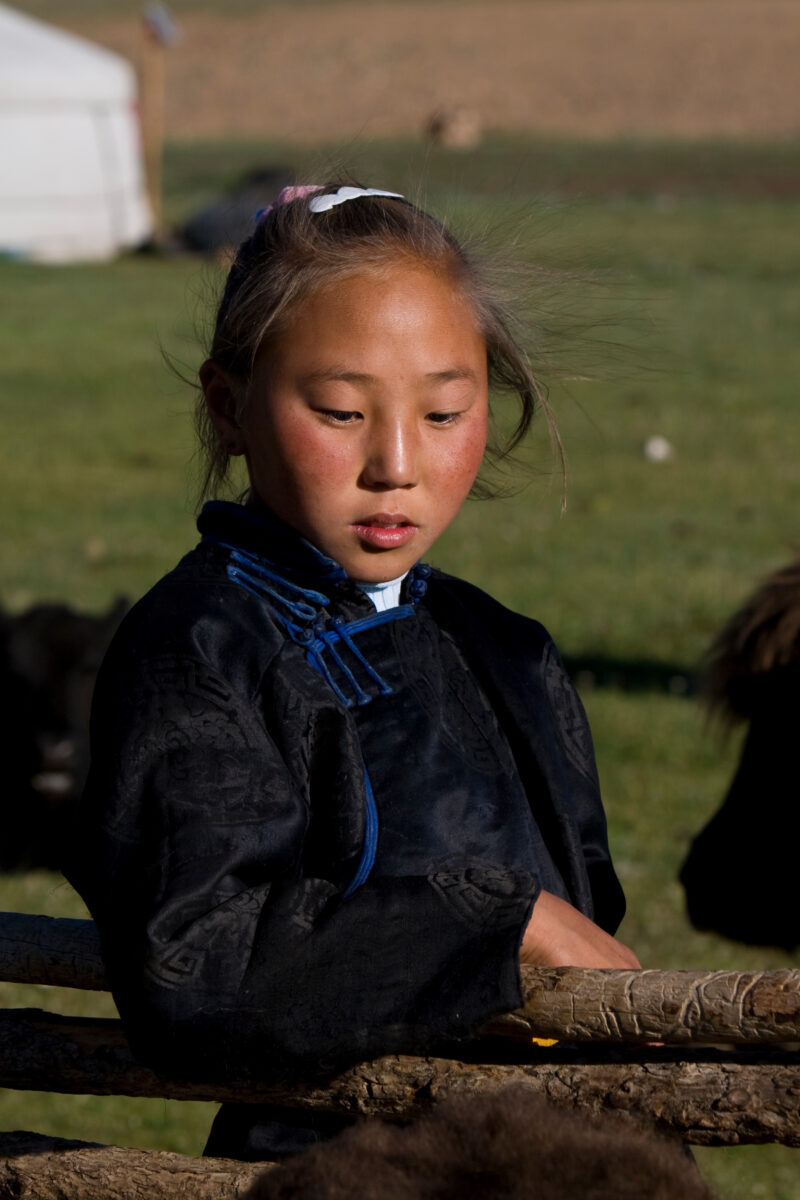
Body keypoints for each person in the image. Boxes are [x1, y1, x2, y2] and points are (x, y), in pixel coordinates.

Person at [64, 183, 639, 1162]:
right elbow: (193, 964)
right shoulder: (200, 653)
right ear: (228, 406)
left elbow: (587, 928)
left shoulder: (506, 649)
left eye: (446, 411)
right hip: (329, 1169)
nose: (395, 462)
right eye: (339, 411)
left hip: (537, 1153)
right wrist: (488, 925)